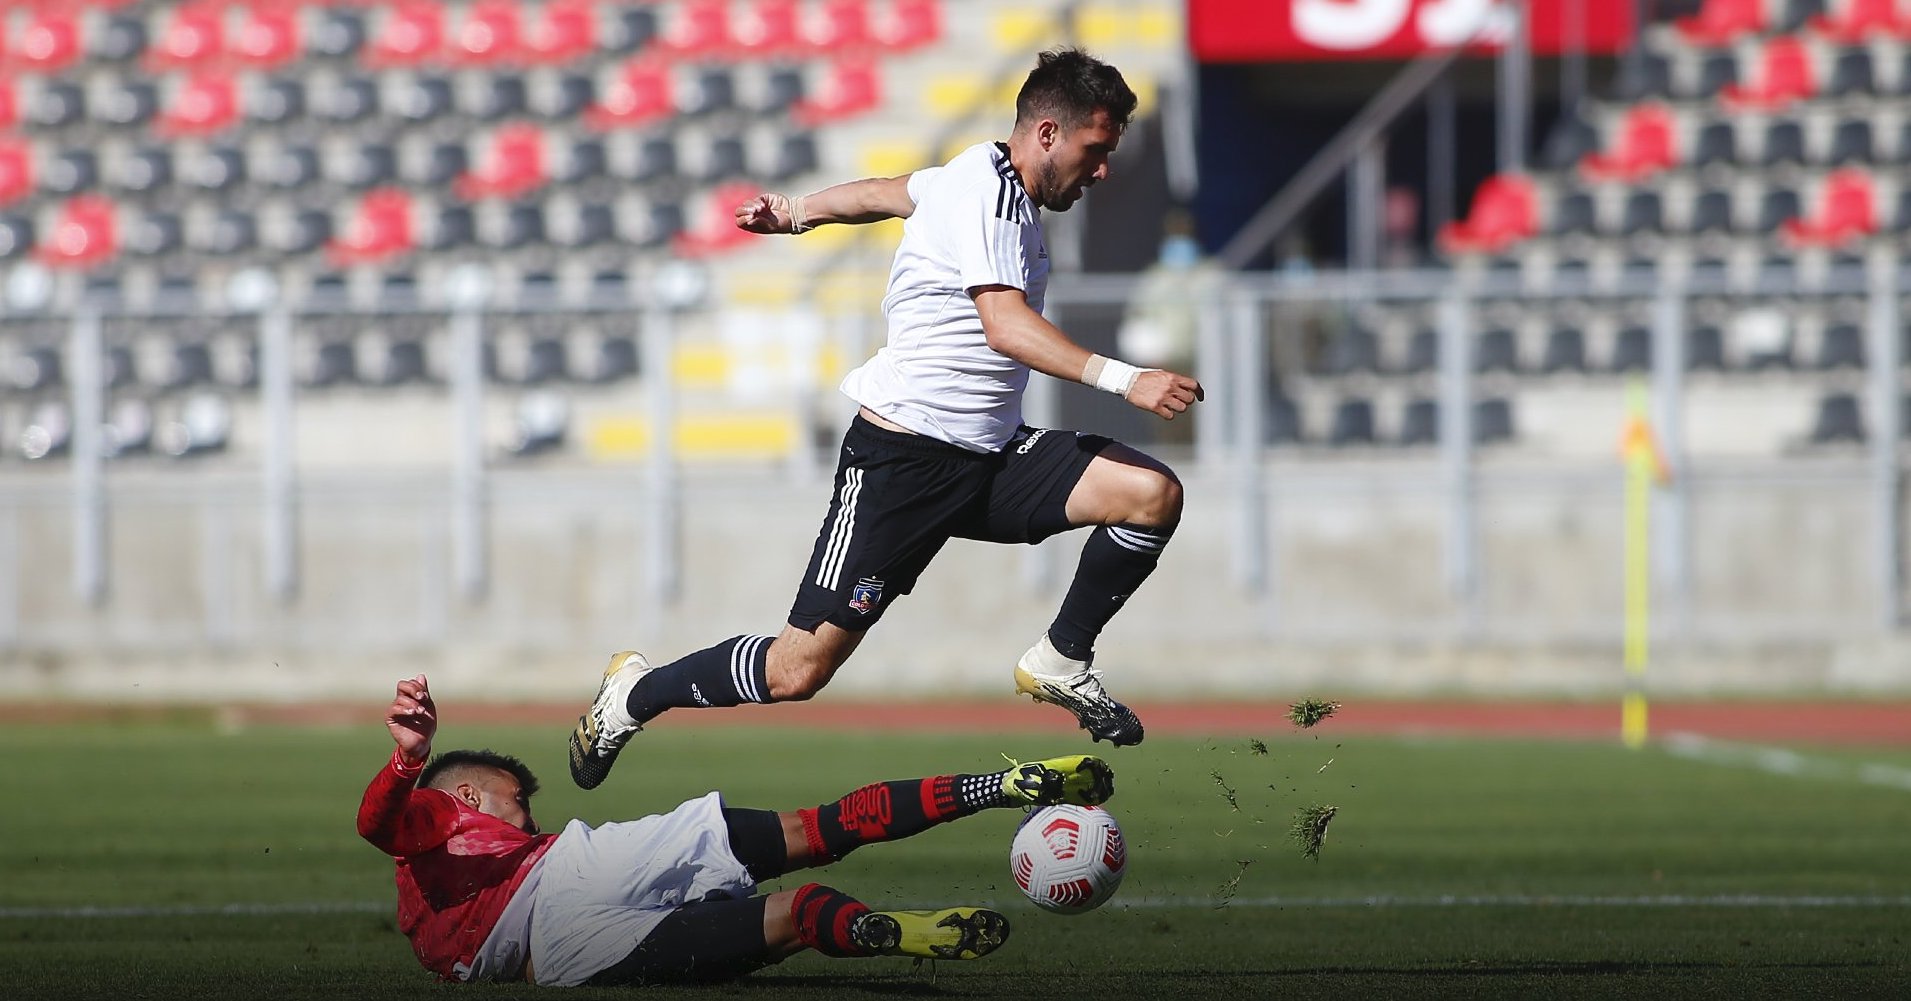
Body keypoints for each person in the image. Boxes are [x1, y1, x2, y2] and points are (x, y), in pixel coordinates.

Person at [569, 47, 1203, 792]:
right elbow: (1004, 324)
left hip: (992, 456)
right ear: (1046, 135)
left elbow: (890, 192)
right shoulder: (987, 194)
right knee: (795, 669)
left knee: (1149, 493)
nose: (1101, 171)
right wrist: (1125, 379)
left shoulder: (976, 180)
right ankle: (633, 695)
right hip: (901, 462)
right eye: (1095, 151)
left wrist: (798, 212)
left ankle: (1061, 658)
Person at [359, 675, 1115, 986]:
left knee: (795, 917)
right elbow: (377, 820)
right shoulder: (435, 812)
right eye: (517, 797)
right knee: (814, 829)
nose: (528, 808)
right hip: (573, 875)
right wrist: (406, 759)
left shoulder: (424, 911)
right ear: (468, 791)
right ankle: (998, 785)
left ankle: (888, 929)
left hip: (556, 963)